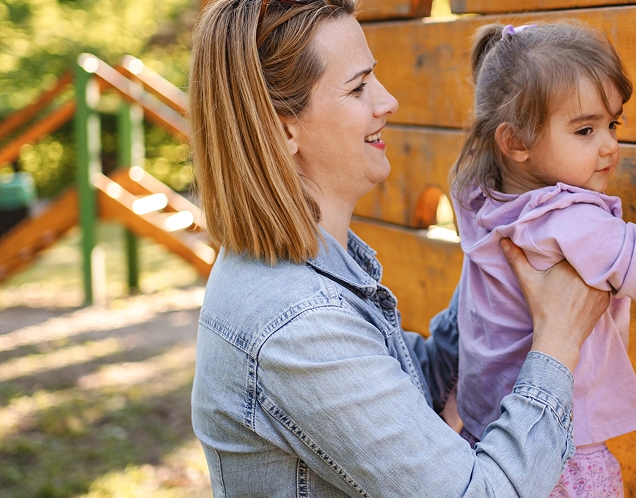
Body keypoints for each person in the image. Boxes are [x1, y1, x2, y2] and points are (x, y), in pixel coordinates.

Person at [186, 0, 611, 496]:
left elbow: (409, 385)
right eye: (358, 87)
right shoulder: (300, 324)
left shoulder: (302, 269)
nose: (387, 101)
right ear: (284, 129)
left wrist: (499, 257)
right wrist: (558, 341)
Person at [447, 22, 636, 497]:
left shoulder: (477, 199)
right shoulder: (571, 223)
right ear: (514, 142)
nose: (610, 145)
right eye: (585, 129)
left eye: (612, 124)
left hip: (490, 440)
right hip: (563, 458)